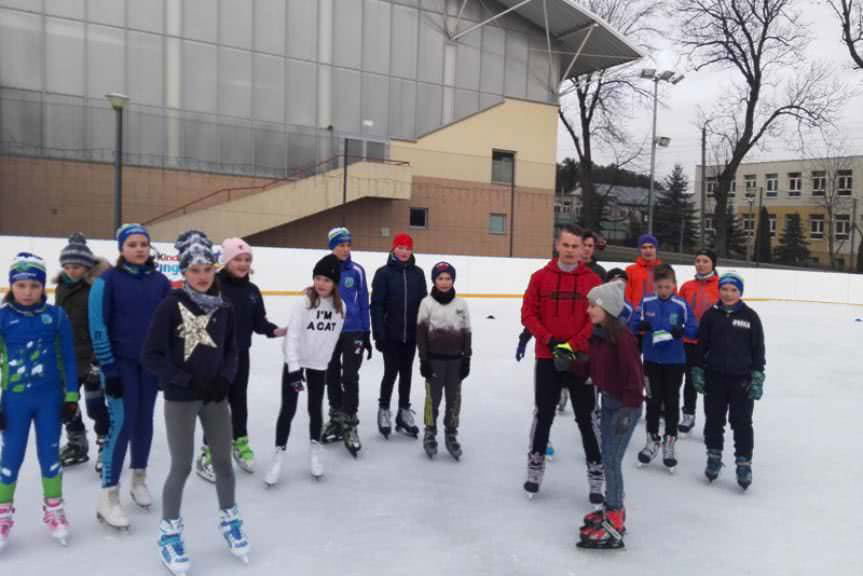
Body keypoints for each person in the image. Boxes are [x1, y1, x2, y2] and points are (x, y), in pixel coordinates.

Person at [143, 232, 249, 573]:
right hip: (181, 398)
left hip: (215, 396)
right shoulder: (170, 307)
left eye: (207, 269)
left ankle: (230, 519)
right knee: (182, 465)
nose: (202, 276)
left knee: (222, 461)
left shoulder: (224, 308)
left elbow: (233, 350)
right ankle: (169, 534)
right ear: (184, 272)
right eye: (195, 270)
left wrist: (224, 379)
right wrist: (184, 380)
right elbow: (152, 355)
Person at [90, 223, 171, 529]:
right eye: (133, 244)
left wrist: (165, 365)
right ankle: (108, 495)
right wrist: (108, 369)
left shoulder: (161, 282)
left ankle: (139, 477)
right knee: (122, 424)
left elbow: (167, 328)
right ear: (122, 249)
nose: (139, 249)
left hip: (149, 365)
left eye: (144, 244)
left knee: (144, 422)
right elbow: (98, 325)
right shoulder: (107, 281)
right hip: (120, 364)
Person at [0, 253, 79, 549]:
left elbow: (69, 359)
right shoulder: (3, 318)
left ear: (42, 285)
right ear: (12, 287)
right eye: (21, 286)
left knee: (49, 456)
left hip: (49, 399)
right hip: (15, 400)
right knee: (11, 457)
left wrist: (71, 397)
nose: (28, 291)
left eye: (34, 285)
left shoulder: (56, 316)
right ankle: (3, 514)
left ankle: (55, 511)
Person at [521, 225, 603, 502]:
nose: (570, 251)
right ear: (557, 245)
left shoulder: (592, 281)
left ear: (583, 249)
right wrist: (550, 340)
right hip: (547, 357)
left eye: (575, 246)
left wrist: (573, 344)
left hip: (580, 359)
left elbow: (597, 319)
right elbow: (528, 314)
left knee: (586, 418)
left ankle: (595, 471)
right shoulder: (539, 278)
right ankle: (535, 465)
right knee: (544, 414)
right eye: (565, 245)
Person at [196, 238, 285, 482]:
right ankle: (208, 453)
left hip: (240, 354)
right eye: (238, 259)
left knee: (239, 401)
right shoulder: (213, 287)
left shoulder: (252, 292)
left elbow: (259, 323)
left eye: (247, 259)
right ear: (225, 261)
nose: (243, 263)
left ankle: (239, 442)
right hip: (214, 357)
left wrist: (276, 330)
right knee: (216, 404)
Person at [266, 254, 346, 485]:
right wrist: (293, 368)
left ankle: (315, 450)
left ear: (335, 283)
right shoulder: (303, 303)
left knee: (315, 408)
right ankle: (279, 454)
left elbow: (332, 338)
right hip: (296, 362)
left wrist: (325, 362)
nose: (321, 284)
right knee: (288, 409)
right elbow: (293, 336)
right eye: (318, 278)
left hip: (318, 365)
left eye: (327, 280)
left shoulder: (342, 308)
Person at [577, 281, 644, 550]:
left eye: (593, 305)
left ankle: (615, 517)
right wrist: (569, 362)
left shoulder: (624, 340)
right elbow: (590, 368)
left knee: (612, 461)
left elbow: (635, 378)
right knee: (607, 458)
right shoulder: (598, 335)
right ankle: (613, 506)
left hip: (626, 407)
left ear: (607, 309)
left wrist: (629, 410)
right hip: (608, 403)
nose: (588, 309)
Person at [691, 272, 765, 490]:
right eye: (725, 289)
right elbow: (700, 345)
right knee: (714, 420)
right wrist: (697, 369)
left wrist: (758, 375)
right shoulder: (710, 316)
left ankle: (744, 462)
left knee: (741, 421)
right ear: (719, 290)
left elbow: (758, 349)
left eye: (734, 290)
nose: (729, 293)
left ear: (740, 292)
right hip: (715, 377)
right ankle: (713, 456)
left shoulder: (750, 317)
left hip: (741, 379)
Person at [53, 233, 110, 471]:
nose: (70, 270)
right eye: (66, 266)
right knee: (64, 404)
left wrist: (100, 360)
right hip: (68, 359)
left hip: (93, 359)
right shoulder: (61, 288)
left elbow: (104, 324)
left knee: (96, 406)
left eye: (75, 266)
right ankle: (77, 441)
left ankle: (105, 443)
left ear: (86, 267)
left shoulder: (97, 289)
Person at [631, 264, 696, 471]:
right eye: (659, 287)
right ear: (654, 286)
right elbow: (633, 321)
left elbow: (694, 328)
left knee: (671, 400)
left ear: (674, 286)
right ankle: (652, 440)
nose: (663, 291)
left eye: (667, 287)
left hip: (674, 362)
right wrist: (639, 327)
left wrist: (682, 330)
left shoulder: (681, 305)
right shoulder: (647, 302)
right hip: (651, 361)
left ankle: (670, 440)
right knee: (652, 399)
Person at [371, 233, 428, 439]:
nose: (404, 252)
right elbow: (376, 305)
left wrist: (423, 332)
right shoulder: (383, 274)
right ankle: (384, 409)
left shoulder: (418, 274)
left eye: (407, 248)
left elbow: (424, 305)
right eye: (400, 247)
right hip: (390, 334)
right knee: (390, 373)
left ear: (412, 251)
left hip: (411, 335)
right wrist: (379, 332)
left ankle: (404, 411)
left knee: (407, 374)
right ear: (393, 249)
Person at [321, 227, 371, 457]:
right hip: (329, 330)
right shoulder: (323, 269)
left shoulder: (357, 271)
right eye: (341, 244)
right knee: (330, 373)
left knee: (349, 376)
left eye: (348, 244)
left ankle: (350, 422)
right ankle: (336, 416)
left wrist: (366, 332)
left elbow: (363, 303)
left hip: (353, 331)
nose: (345, 248)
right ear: (332, 246)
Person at [416, 262, 471, 460]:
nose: (445, 282)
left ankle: (451, 432)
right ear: (434, 280)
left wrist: (467, 358)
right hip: (434, 360)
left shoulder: (461, 304)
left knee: (454, 399)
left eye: (448, 278)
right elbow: (421, 334)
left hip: (455, 361)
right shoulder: (427, 303)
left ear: (453, 280)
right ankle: (430, 432)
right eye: (440, 278)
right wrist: (424, 360)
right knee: (433, 398)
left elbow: (467, 332)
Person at [677, 249, 719, 434]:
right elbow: (677, 310)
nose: (701, 264)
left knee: (712, 382)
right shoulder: (687, 286)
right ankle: (688, 414)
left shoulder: (721, 286)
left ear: (713, 264)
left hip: (712, 343)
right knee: (689, 381)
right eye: (698, 260)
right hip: (687, 341)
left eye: (705, 261)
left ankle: (712, 420)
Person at [625, 234, 662, 309]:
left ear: (656, 249)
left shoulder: (665, 270)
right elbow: (626, 296)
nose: (648, 250)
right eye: (644, 247)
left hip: (659, 315)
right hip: (636, 315)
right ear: (640, 250)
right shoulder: (630, 270)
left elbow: (672, 295)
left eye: (651, 247)